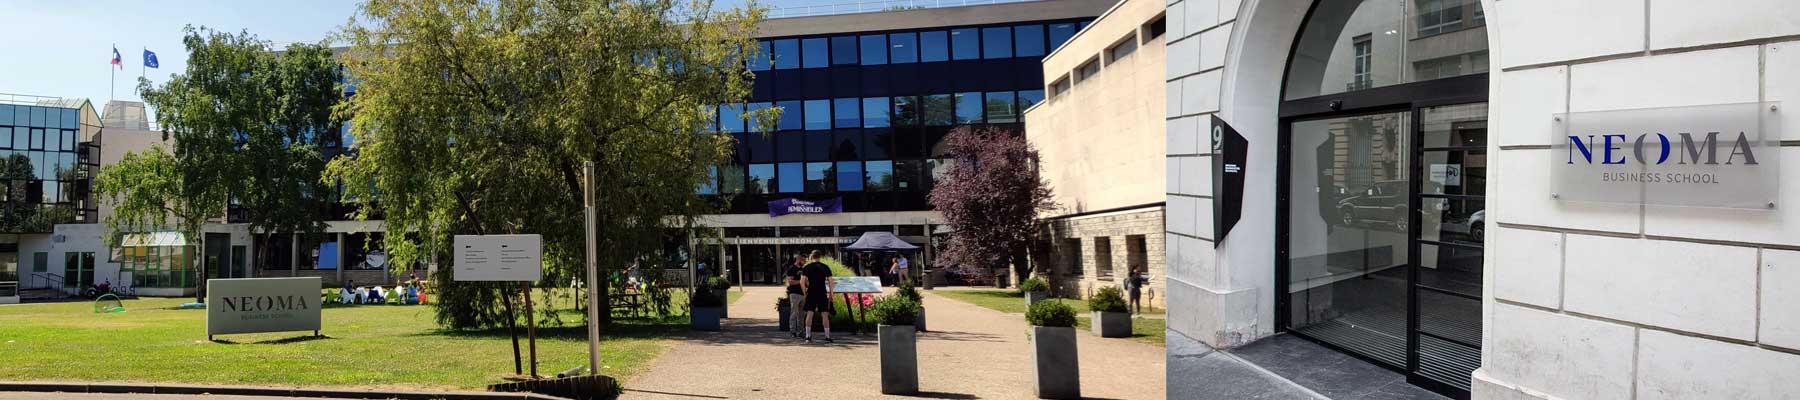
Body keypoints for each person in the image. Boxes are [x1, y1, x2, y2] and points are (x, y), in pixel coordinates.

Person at [799, 250, 835, 343]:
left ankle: (808, 336)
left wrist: (804, 293)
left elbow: (802, 282)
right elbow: (831, 282)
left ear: (812, 257)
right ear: (820, 257)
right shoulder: (825, 267)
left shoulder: (807, 267)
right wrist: (831, 294)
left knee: (810, 313)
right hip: (822, 292)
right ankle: (827, 336)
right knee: (824, 314)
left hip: (811, 292)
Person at [784, 255, 806, 337]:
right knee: (794, 313)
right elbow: (790, 281)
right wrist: (801, 281)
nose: (804, 261)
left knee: (801, 315)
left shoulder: (803, 269)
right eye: (803, 260)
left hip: (803, 294)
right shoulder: (792, 268)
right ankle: (792, 331)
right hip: (794, 294)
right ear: (798, 259)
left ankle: (801, 332)